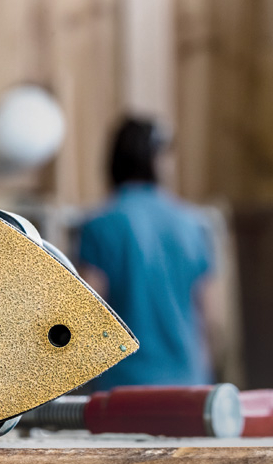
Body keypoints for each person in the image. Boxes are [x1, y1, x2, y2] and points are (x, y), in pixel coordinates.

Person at [78, 117, 217, 390]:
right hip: (189, 386)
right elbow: (212, 320)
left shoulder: (99, 226)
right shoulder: (192, 225)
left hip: (123, 390)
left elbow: (87, 317)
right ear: (157, 160)